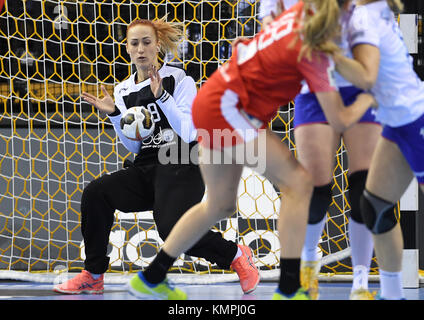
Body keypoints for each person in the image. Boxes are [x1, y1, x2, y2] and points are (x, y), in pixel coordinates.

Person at [127, 0, 378, 300]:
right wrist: (372, 98)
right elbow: (339, 118)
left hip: (212, 99)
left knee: (219, 204)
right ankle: (288, 290)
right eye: (350, 11)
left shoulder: (293, 16)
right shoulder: (314, 49)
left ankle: (151, 277)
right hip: (230, 109)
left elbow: (250, 44)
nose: (353, 18)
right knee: (299, 184)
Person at [53, 17, 260, 295]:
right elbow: (135, 147)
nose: (141, 49)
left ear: (157, 45)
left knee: (170, 228)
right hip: (146, 167)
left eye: (147, 42)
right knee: (96, 193)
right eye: (134, 43)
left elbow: (188, 133)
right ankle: (93, 274)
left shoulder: (179, 79)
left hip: (181, 163)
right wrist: (115, 115)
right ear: (126, 48)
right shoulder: (123, 90)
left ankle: (235, 255)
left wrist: (162, 96)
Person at [260, 0, 380, 300]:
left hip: (358, 80)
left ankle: (361, 284)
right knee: (315, 190)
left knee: (364, 189)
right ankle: (309, 265)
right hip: (312, 87)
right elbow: (270, 34)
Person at [333, 0, 424, 300]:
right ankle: (392, 294)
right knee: (374, 206)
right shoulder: (366, 12)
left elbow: (367, 77)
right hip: (398, 125)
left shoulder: (363, 19)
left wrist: (326, 53)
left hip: (417, 122)